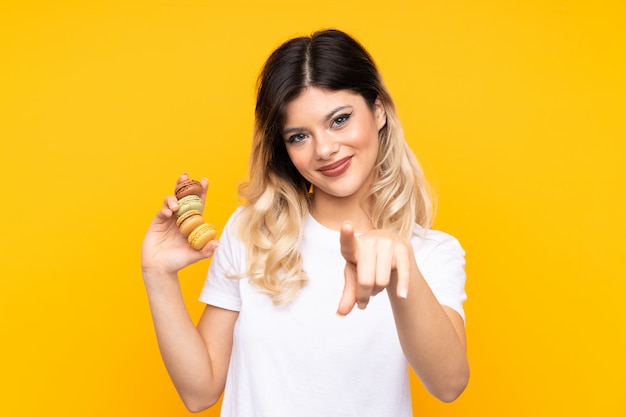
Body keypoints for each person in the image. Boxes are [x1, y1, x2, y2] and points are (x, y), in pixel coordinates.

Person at [141, 29, 469, 416]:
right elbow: (200, 392)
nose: (325, 149)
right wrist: (158, 273)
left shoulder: (432, 253)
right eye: (299, 136)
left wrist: (401, 268)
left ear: (378, 110)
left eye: (340, 120)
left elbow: (449, 385)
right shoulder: (253, 234)